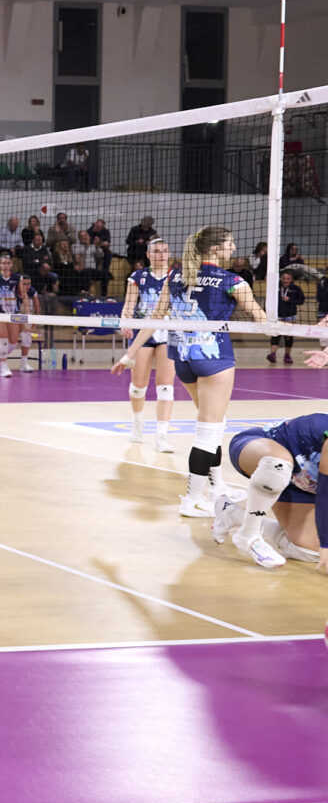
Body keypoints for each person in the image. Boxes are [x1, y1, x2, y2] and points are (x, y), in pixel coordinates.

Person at [114, 225, 266, 525]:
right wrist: (307, 331)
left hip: (182, 359)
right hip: (213, 359)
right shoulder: (233, 281)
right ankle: (193, 499)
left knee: (214, 424)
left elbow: (155, 318)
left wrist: (130, 353)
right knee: (208, 430)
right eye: (230, 243)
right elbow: (262, 321)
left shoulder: (175, 276)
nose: (234, 248)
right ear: (215, 249)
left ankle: (218, 488)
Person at [214, 414, 328, 569]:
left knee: (311, 552)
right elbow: (325, 493)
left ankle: (232, 514)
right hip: (260, 447)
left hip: (301, 481)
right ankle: (248, 535)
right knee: (278, 465)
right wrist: (326, 544)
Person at [117, 236, 177, 453]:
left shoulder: (176, 277)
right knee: (138, 386)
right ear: (148, 254)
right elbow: (129, 305)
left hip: (168, 333)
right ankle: (137, 422)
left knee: (165, 387)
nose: (161, 255)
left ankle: (162, 436)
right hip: (143, 334)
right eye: (157, 251)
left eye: (165, 251)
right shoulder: (138, 277)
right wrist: (125, 322)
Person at [0, 252, 34, 376]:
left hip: (13, 314)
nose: (5, 266)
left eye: (8, 263)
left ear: (11, 264)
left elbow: (24, 295)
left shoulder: (17, 278)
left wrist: (28, 313)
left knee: (12, 343)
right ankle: (4, 368)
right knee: (3, 341)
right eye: (3, 263)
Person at [271, 270, 303, 364]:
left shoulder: (296, 289)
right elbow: (269, 300)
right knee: (275, 335)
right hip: (277, 315)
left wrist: (290, 300)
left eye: (288, 278)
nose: (285, 280)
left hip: (290, 315)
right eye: (284, 278)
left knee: (288, 336)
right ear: (281, 278)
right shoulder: (276, 288)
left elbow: (301, 301)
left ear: (291, 279)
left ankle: (287, 355)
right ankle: (273, 354)